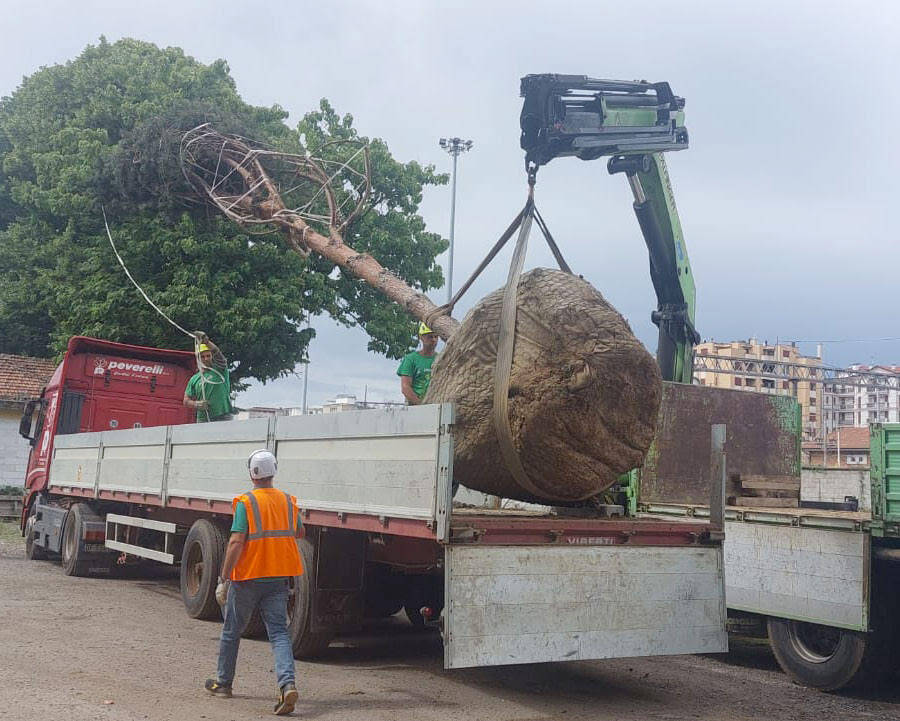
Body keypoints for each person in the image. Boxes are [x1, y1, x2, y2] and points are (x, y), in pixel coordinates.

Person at [205, 449, 304, 716]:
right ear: (274, 470)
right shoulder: (287, 500)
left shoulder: (245, 502)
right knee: (279, 633)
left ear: (252, 473)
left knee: (232, 630)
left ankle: (223, 683)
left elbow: (237, 541)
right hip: (278, 578)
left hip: (247, 577)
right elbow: (299, 531)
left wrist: (223, 577)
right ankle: (287, 685)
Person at [183, 332, 233, 422]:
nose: (206, 359)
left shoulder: (219, 369)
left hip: (223, 416)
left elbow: (218, 354)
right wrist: (196, 404)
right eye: (202, 357)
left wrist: (206, 341)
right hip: (203, 418)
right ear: (198, 358)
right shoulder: (194, 379)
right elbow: (186, 401)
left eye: (208, 356)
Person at [397, 322, 438, 405]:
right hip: (414, 406)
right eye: (430, 337)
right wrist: (421, 406)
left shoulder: (441, 359)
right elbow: (405, 387)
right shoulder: (411, 359)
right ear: (421, 337)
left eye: (436, 336)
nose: (433, 339)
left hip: (436, 405)